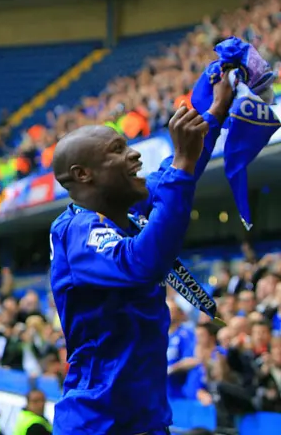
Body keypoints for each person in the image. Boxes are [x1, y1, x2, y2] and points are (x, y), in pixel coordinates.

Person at [49, 73, 234, 434]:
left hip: (146, 421)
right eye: (117, 150)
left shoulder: (122, 217)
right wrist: (181, 162)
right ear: (83, 174)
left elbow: (174, 179)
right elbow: (142, 263)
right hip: (99, 425)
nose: (134, 153)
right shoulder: (77, 231)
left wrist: (214, 112)